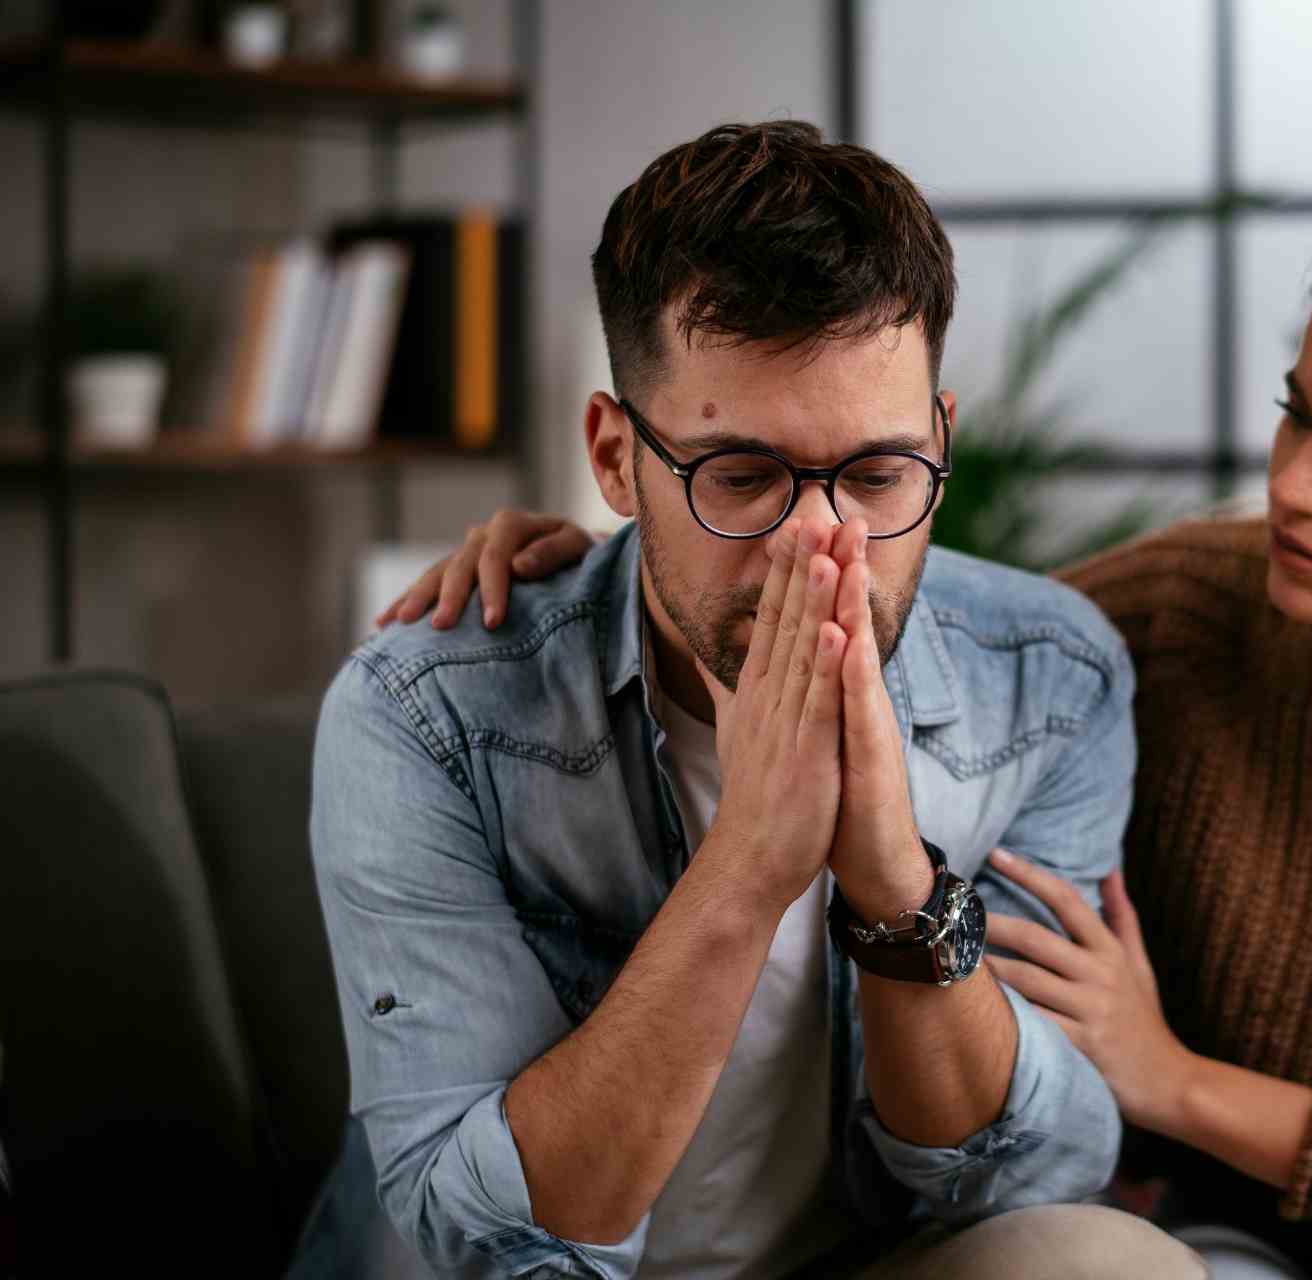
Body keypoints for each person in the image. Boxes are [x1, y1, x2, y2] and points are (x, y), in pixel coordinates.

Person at [425, 202, 1312, 1279]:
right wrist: (622, 572)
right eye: (1296, 415)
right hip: (1225, 1241)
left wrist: (1183, 1086)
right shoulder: (1194, 606)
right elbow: (921, 626)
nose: (1291, 485)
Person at [306, 120, 1207, 1280]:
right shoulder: (425, 711)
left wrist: (895, 885)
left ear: (939, 444)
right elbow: (486, 1238)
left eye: (877, 474)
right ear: (616, 456)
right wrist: (749, 862)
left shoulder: (1047, 677)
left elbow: (1023, 1175)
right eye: (743, 476)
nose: (821, 544)